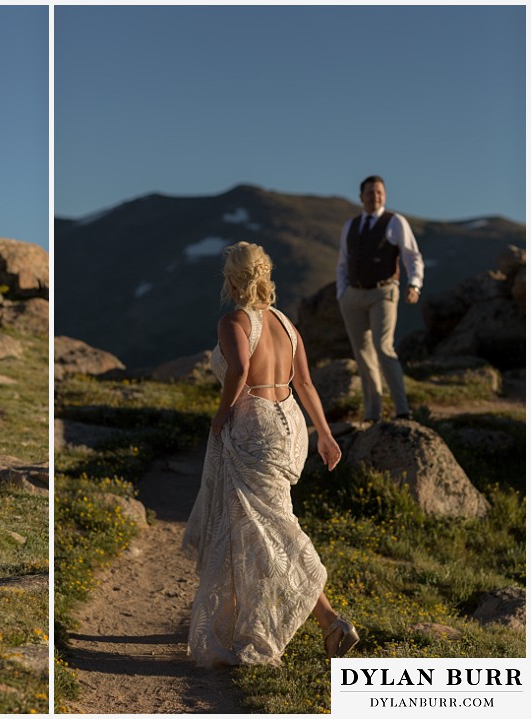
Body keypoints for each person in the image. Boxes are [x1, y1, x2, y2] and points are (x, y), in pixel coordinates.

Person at [183, 241, 358, 666]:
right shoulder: (285, 324)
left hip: (255, 425)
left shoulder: (233, 322)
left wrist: (221, 415)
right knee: (263, 526)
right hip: (291, 424)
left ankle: (331, 620)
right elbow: (307, 384)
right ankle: (258, 620)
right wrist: (325, 435)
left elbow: (240, 371)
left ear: (232, 280)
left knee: (272, 529)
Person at [336, 175, 424, 422]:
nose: (375, 196)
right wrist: (342, 294)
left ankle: (402, 410)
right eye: (370, 192)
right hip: (353, 295)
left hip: (384, 292)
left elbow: (412, 257)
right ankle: (373, 414)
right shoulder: (350, 226)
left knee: (383, 347)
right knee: (363, 354)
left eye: (379, 192)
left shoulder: (395, 222)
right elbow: (342, 263)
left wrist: (414, 284)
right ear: (361, 196)